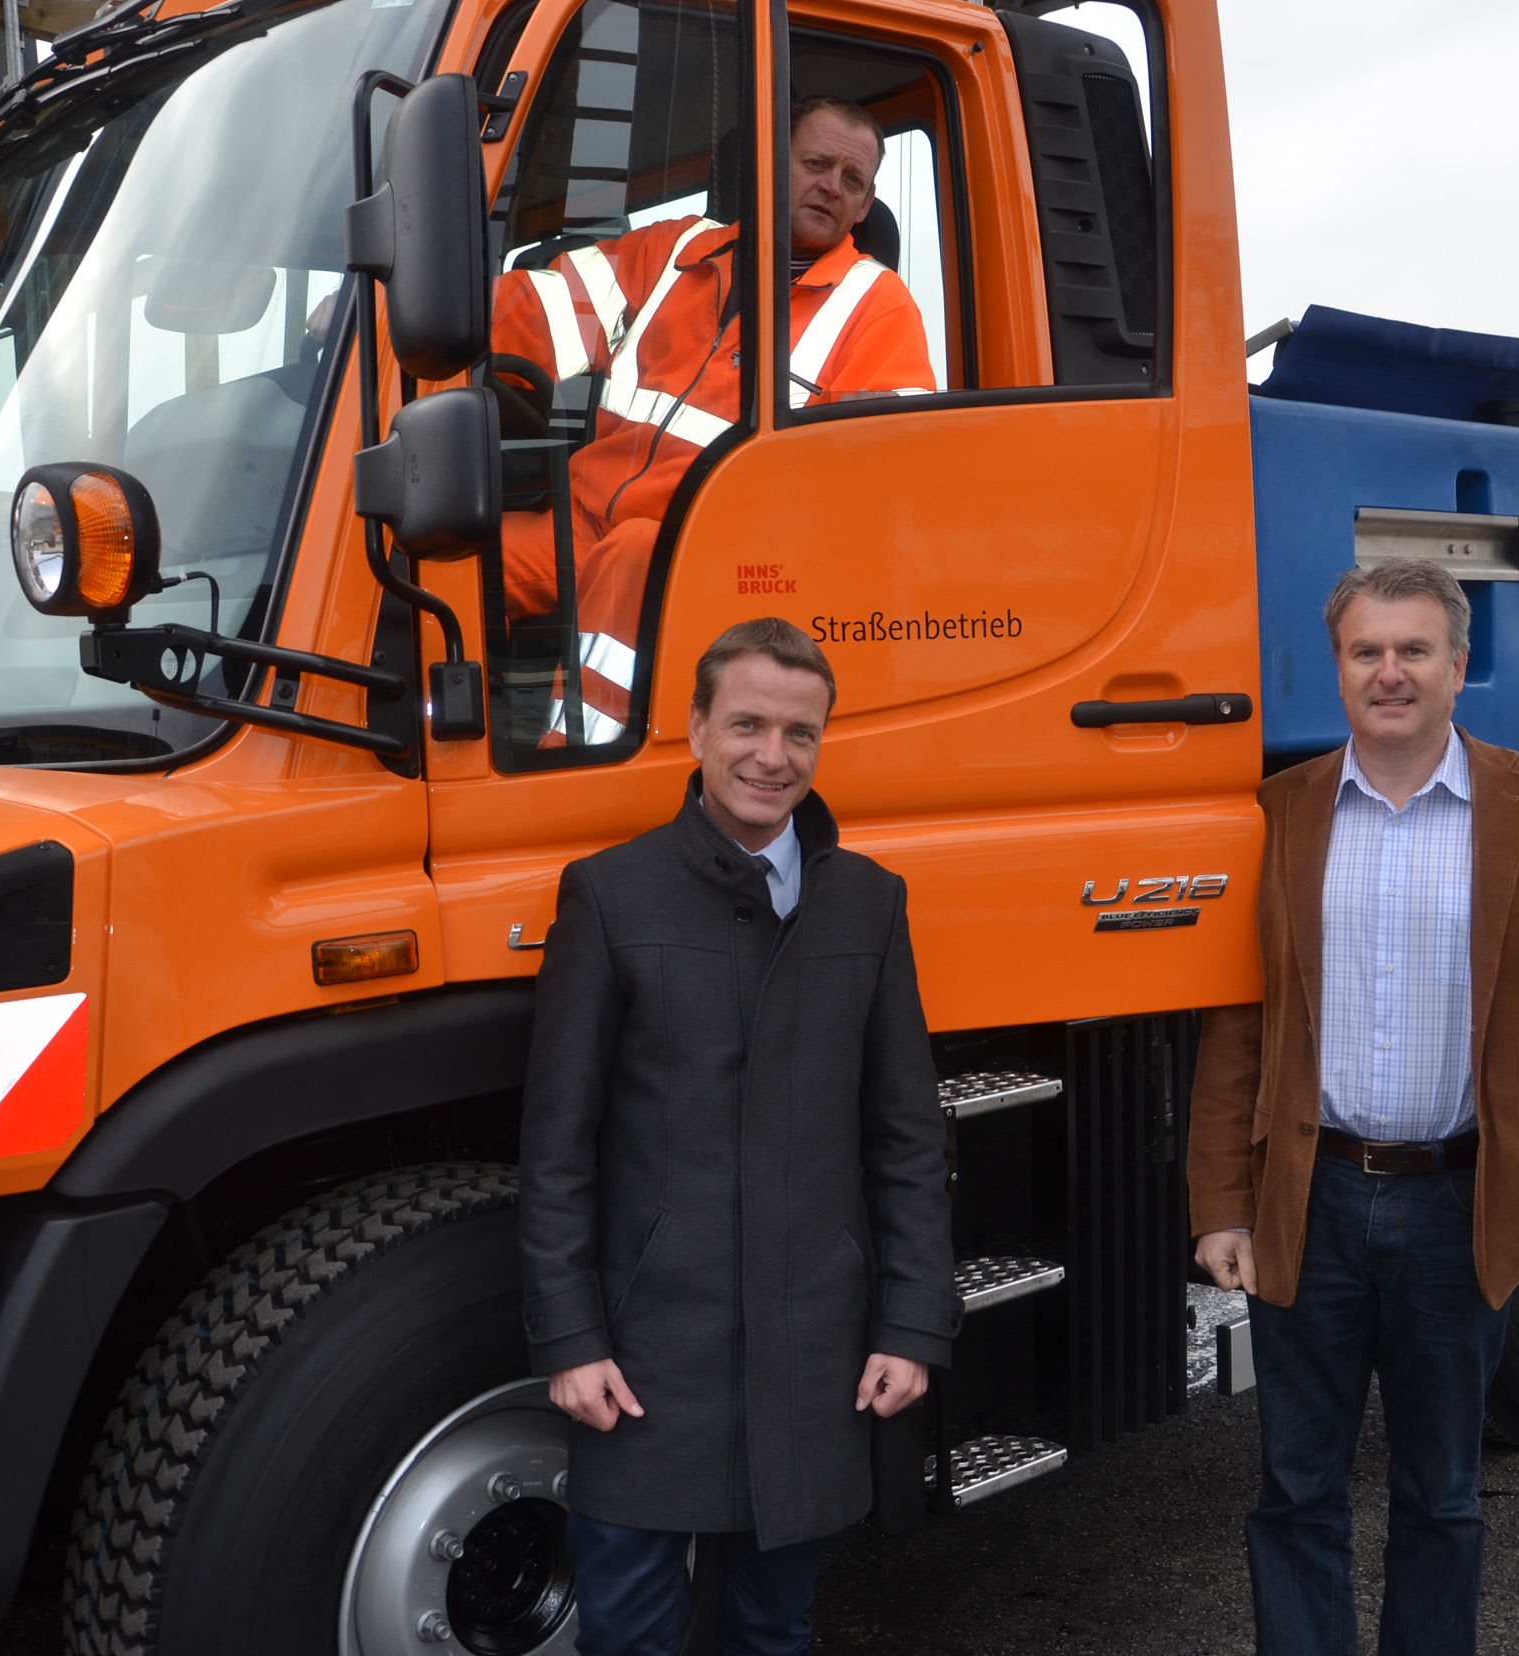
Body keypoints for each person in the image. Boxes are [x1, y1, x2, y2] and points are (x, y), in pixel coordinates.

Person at [1187, 558, 1519, 1655]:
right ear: (1337, 669)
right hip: (1309, 1207)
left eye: (1413, 651)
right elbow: (1241, 1029)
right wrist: (1221, 1202)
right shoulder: (1280, 813)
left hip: (1461, 1207)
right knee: (1294, 1491)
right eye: (1366, 652)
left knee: (1440, 1500)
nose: (1389, 672)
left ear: (1458, 666)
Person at [518, 616, 960, 1655]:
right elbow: (556, 1148)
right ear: (695, 729)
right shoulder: (610, 894)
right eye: (749, 724)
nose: (773, 756)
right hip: (647, 1363)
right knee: (628, 1635)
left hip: (815, 1352)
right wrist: (572, 1341)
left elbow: (904, 1139)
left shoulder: (867, 902)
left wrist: (911, 1323)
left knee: (775, 1630)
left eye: (800, 733)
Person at [490, 98, 936, 743]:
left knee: (634, 557)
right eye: (815, 163)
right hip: (581, 519)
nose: (831, 187)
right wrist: (384, 325)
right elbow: (536, 311)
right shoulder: (674, 253)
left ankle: (576, 770)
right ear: (772, 164)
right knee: (444, 563)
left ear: (865, 207)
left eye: (853, 180)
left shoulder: (879, 306)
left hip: (715, 552)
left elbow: (884, 474)